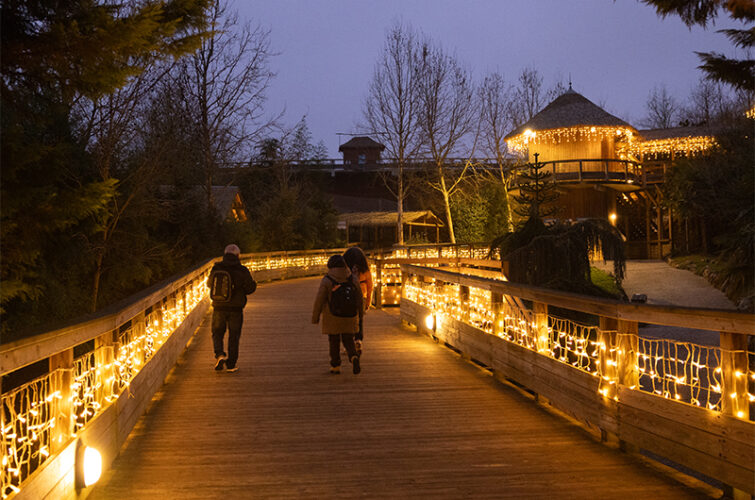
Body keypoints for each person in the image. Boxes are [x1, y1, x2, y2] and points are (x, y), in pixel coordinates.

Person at [207, 244, 256, 372]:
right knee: (234, 336)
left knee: (217, 333)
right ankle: (231, 364)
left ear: (225, 254)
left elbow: (209, 284)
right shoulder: (242, 270)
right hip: (236, 309)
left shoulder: (216, 268)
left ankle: (220, 355)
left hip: (218, 307)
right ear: (238, 255)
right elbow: (250, 288)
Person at [312, 255, 363, 374]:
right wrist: (360, 313)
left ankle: (335, 365)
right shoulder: (353, 278)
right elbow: (359, 298)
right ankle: (353, 357)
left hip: (332, 316)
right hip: (350, 315)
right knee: (348, 339)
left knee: (334, 340)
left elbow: (320, 299)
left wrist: (316, 317)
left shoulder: (327, 280)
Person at [343, 246, 373, 355]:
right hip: (362, 297)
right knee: (359, 320)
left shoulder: (345, 270)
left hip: (347, 296)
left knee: (348, 320)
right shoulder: (365, 271)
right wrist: (368, 302)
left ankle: (349, 344)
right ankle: (358, 340)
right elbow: (370, 287)